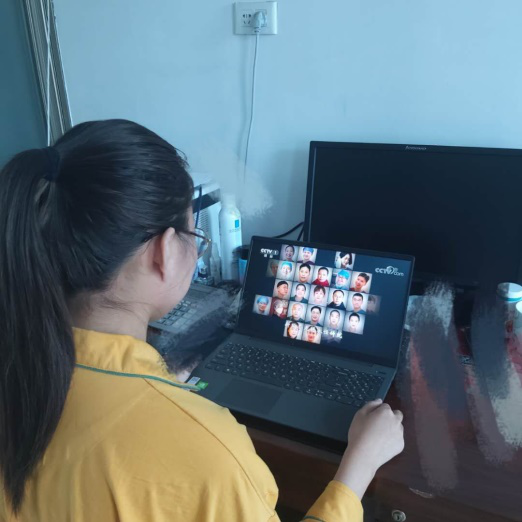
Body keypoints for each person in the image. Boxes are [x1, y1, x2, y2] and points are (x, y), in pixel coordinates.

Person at [0, 119, 404, 521]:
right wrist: (358, 467)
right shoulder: (210, 452)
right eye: (195, 237)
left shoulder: (17, 373)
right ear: (163, 252)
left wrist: (156, 384)